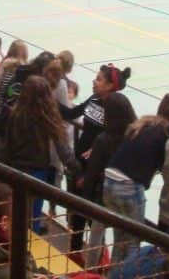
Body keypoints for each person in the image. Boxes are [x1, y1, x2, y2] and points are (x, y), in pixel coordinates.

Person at [59, 63, 132, 255]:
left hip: (97, 171)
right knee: (76, 217)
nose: (94, 81)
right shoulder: (93, 99)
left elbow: (125, 135)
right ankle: (74, 255)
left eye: (99, 79)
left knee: (94, 220)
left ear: (110, 86)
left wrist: (98, 149)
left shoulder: (116, 107)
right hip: (78, 165)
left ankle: (99, 260)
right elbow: (71, 113)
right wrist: (48, 101)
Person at [103, 93, 169, 263]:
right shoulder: (168, 132)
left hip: (109, 180)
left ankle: (114, 274)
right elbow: (168, 166)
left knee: (120, 239)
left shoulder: (144, 123)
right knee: (133, 239)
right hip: (128, 186)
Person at [0, 75, 80, 235]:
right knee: (32, 217)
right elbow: (63, 149)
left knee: (15, 213)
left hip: (14, 169)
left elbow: (6, 145)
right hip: (36, 173)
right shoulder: (46, 118)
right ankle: (28, 250)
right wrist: (76, 168)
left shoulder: (15, 114)